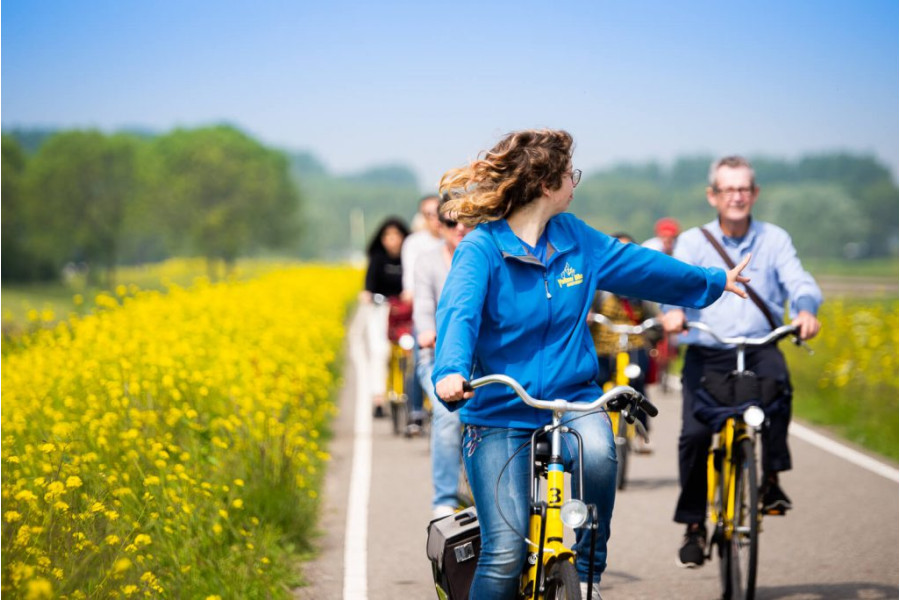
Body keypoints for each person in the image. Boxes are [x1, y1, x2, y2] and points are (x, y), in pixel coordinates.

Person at [432, 129, 751, 599]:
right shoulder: (482, 249)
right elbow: (458, 314)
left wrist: (713, 280)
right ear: (546, 184)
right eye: (569, 174)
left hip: (571, 398)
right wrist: (450, 372)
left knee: (601, 455)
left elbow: (644, 267)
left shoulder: (577, 239)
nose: (574, 184)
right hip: (499, 409)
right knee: (504, 550)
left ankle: (586, 573)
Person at [661, 155, 822, 569]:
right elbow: (674, 280)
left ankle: (769, 479)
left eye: (744, 188)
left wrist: (804, 309)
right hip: (708, 350)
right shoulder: (694, 242)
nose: (737, 196)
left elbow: (799, 280)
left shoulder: (774, 239)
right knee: (695, 435)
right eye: (729, 189)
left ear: (755, 193)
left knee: (779, 389)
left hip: (760, 345)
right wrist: (674, 311)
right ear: (713, 195)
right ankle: (694, 525)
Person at [413, 196, 473, 519]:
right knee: (448, 415)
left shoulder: (484, 256)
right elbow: (423, 307)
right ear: (440, 225)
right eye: (451, 222)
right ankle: (445, 498)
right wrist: (427, 332)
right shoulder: (428, 262)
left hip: (480, 362)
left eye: (467, 220)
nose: (459, 228)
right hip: (437, 358)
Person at [589, 232, 660, 453]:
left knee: (637, 386)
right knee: (595, 386)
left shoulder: (642, 283)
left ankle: (640, 433)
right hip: (602, 347)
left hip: (633, 345)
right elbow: (584, 308)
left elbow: (653, 314)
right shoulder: (597, 282)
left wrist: (658, 326)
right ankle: (592, 430)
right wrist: (587, 315)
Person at [401, 195, 444, 434]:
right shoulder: (415, 243)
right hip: (425, 311)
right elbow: (410, 279)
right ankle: (416, 410)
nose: (435, 219)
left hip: (449, 313)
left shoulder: (459, 240)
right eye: (429, 214)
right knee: (421, 354)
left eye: (439, 213)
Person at [361, 216, 411, 418]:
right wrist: (367, 294)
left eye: (396, 235)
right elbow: (368, 286)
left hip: (404, 310)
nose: (393, 240)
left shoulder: (409, 257)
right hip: (381, 309)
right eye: (388, 236)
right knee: (379, 351)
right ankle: (379, 398)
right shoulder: (378, 258)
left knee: (410, 349)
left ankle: (415, 398)